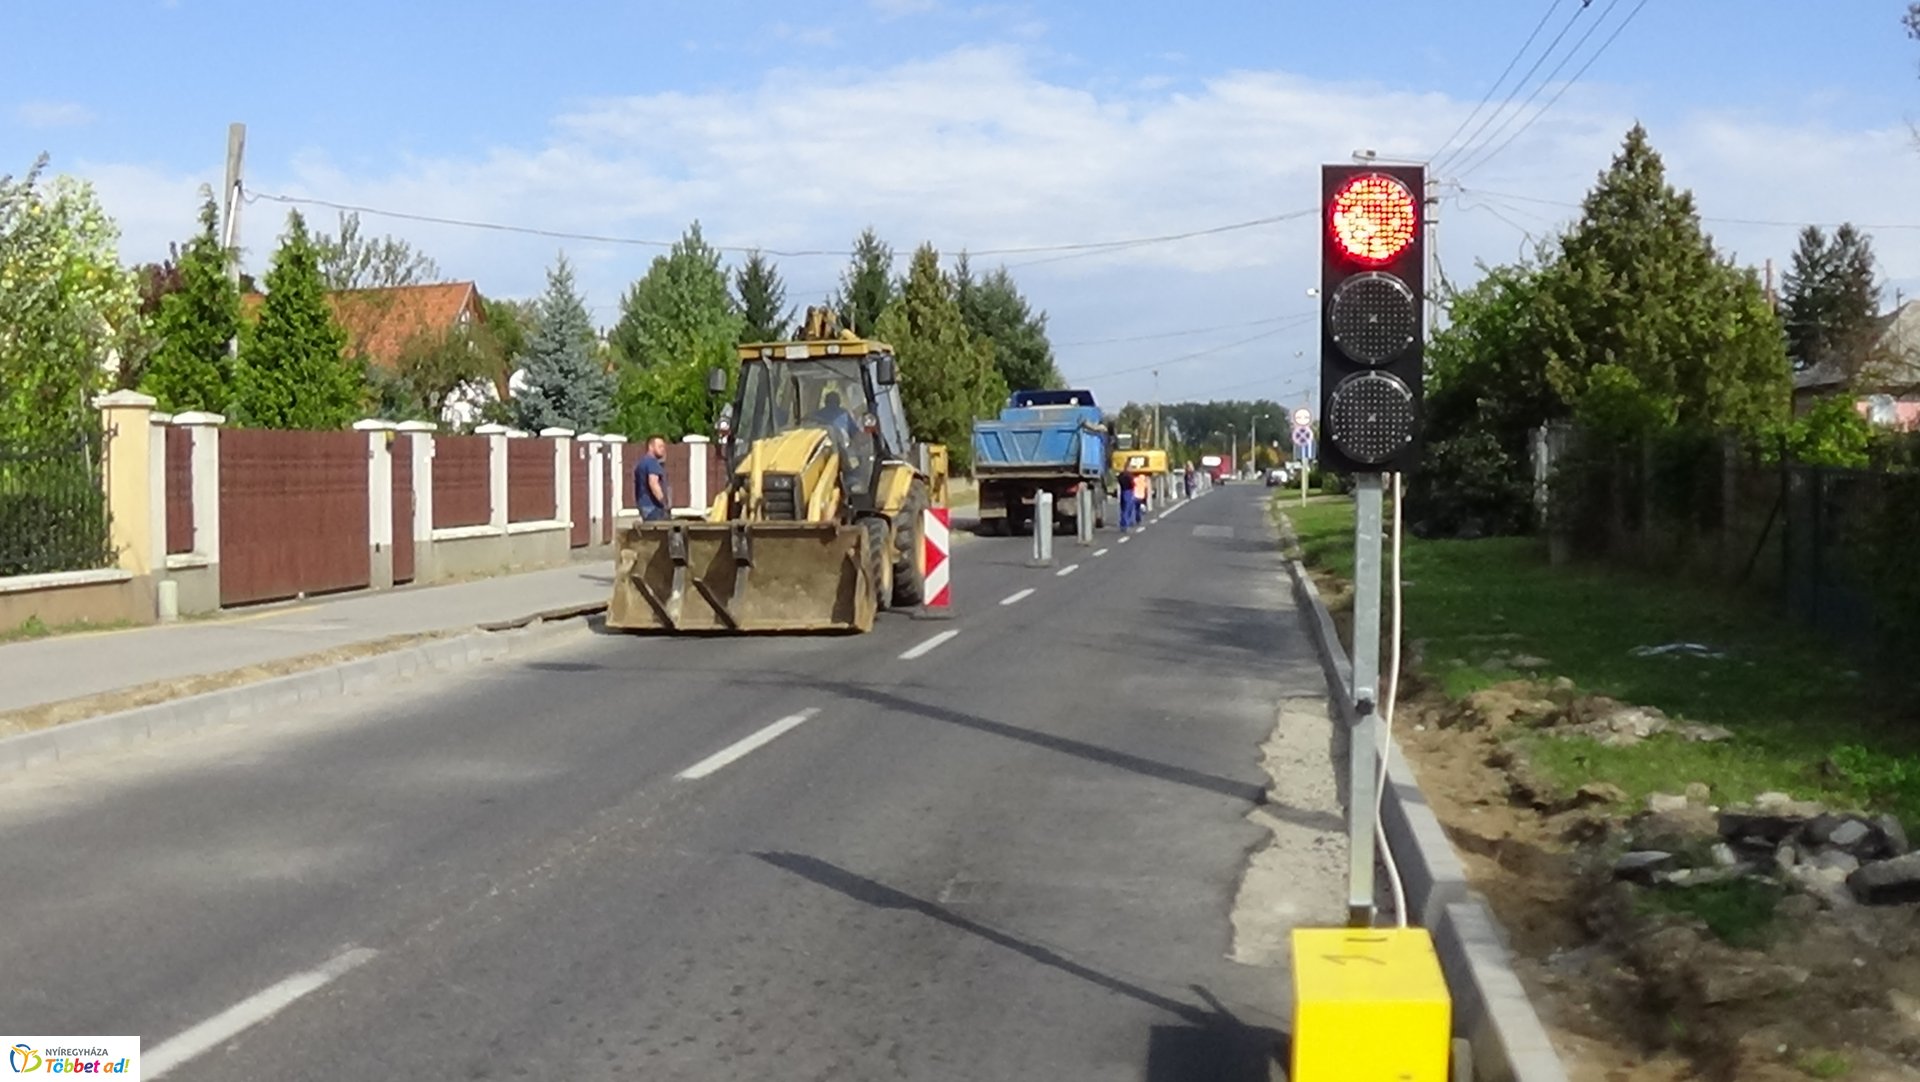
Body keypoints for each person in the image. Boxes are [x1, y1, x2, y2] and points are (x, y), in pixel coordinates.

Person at [635, 435, 671, 521]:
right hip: (654, 507)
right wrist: (664, 504)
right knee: (661, 533)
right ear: (651, 447)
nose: (663, 449)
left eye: (663, 447)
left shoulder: (642, 462)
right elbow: (653, 483)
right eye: (660, 446)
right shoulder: (652, 462)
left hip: (644, 506)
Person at [1117, 466, 1137, 531]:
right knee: (1128, 508)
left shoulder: (1121, 475)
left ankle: (1122, 523)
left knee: (1123, 508)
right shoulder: (1129, 476)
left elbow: (1119, 480)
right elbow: (1133, 484)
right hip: (1129, 491)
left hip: (1123, 491)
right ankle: (1126, 523)